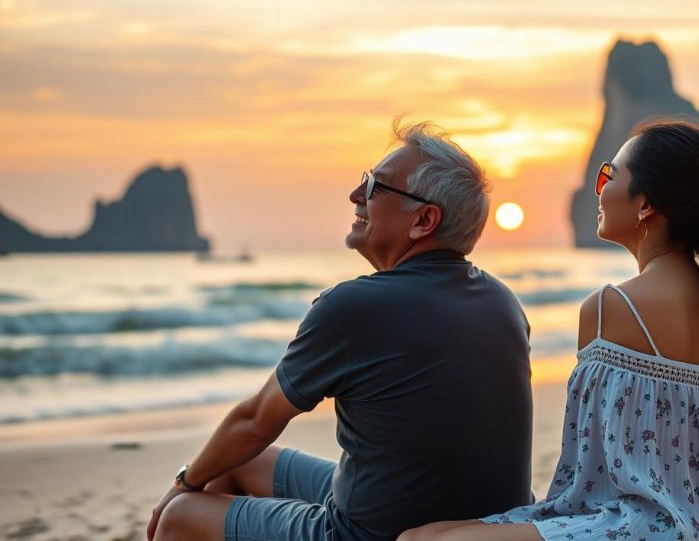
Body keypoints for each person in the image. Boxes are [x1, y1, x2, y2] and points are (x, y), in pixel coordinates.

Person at [399, 120, 699, 541]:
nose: (599, 190)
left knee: (419, 537)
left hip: (625, 530)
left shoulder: (608, 307)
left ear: (646, 206)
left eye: (608, 176)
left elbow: (586, 477)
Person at [148, 121, 534, 541]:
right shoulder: (501, 301)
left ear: (424, 220)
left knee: (179, 515)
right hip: (489, 528)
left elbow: (256, 421)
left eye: (375, 187)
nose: (356, 195)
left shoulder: (352, 308)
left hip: (367, 534)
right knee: (235, 462)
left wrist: (182, 484)